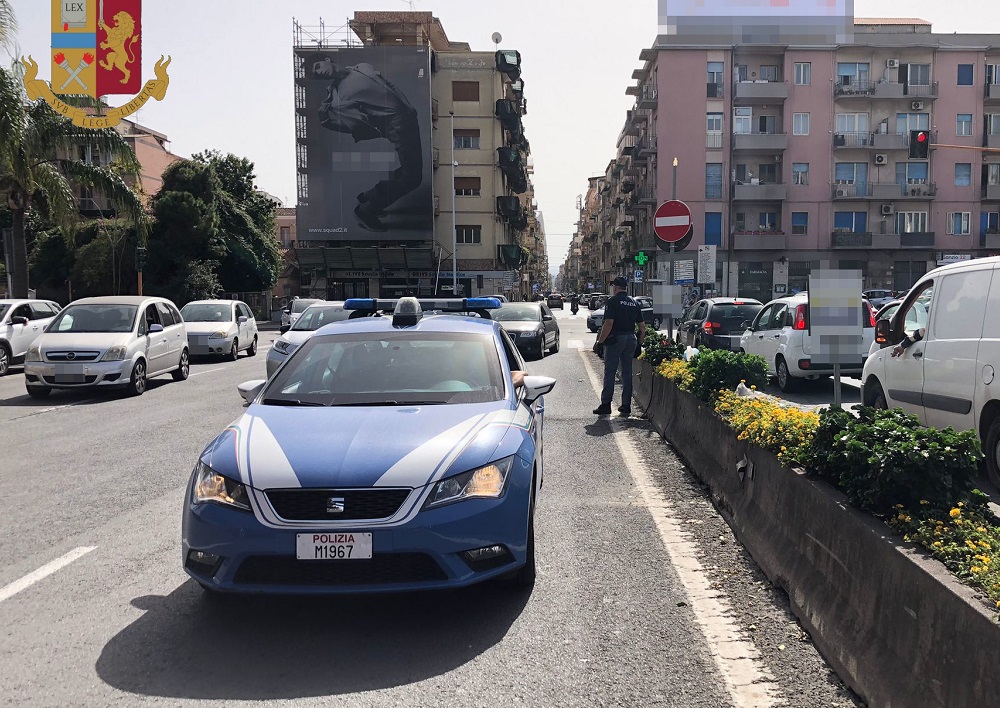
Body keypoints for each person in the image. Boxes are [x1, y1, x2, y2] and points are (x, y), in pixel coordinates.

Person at [312, 56, 423, 232]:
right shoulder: (339, 96)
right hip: (397, 125)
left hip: (407, 116)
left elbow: (390, 86)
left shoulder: (361, 67)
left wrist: (408, 107)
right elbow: (353, 126)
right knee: (413, 177)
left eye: (318, 66)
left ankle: (371, 195)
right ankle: (366, 210)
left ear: (327, 59)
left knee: (410, 169)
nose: (320, 72)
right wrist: (326, 121)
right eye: (316, 73)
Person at [594, 277, 646, 417]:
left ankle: (606, 405)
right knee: (627, 373)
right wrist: (639, 343)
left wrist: (600, 342)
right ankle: (626, 405)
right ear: (626, 288)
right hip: (631, 339)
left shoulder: (613, 302)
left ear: (615, 288)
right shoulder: (634, 302)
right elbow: (642, 327)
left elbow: (609, 324)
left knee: (610, 372)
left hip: (616, 339)